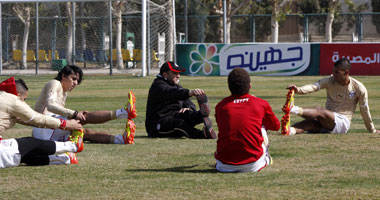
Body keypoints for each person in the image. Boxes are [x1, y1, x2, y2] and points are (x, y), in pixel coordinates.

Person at [32, 65, 137, 145]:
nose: (76, 83)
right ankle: (124, 112)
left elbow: (57, 112)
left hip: (46, 133)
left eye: (77, 80)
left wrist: (73, 115)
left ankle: (120, 139)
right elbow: (51, 106)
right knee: (82, 118)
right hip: (42, 129)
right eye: (73, 79)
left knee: (83, 132)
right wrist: (74, 114)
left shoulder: (64, 93)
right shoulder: (55, 83)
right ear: (63, 76)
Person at [281, 58, 380, 135]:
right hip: (327, 120)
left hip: (342, 122)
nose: (334, 74)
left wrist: (372, 130)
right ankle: (290, 131)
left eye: (337, 72)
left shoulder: (359, 88)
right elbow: (313, 87)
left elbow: (364, 110)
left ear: (346, 73)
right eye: (333, 71)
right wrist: (298, 89)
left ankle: (293, 109)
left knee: (319, 111)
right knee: (309, 123)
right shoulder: (329, 81)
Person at [0, 77, 83, 168]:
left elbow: (24, 120)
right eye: (24, 99)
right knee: (31, 143)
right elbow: (36, 118)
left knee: (25, 154)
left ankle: (65, 158)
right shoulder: (14, 100)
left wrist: (56, 125)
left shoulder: (3, 98)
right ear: (18, 95)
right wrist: (64, 124)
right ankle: (73, 146)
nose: (24, 103)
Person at [214, 68, 280, 173]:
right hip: (253, 165)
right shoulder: (260, 103)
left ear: (229, 87)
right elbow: (276, 126)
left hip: (223, 165)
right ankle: (266, 157)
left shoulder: (220, 106)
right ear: (249, 85)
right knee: (261, 126)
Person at [145, 61, 216, 139]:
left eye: (179, 73)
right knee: (179, 124)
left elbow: (188, 102)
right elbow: (172, 93)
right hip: (157, 125)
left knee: (188, 114)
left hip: (174, 116)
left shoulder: (177, 86)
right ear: (165, 74)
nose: (178, 76)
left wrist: (189, 108)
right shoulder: (158, 85)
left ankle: (202, 115)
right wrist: (189, 92)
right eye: (175, 73)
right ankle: (202, 135)